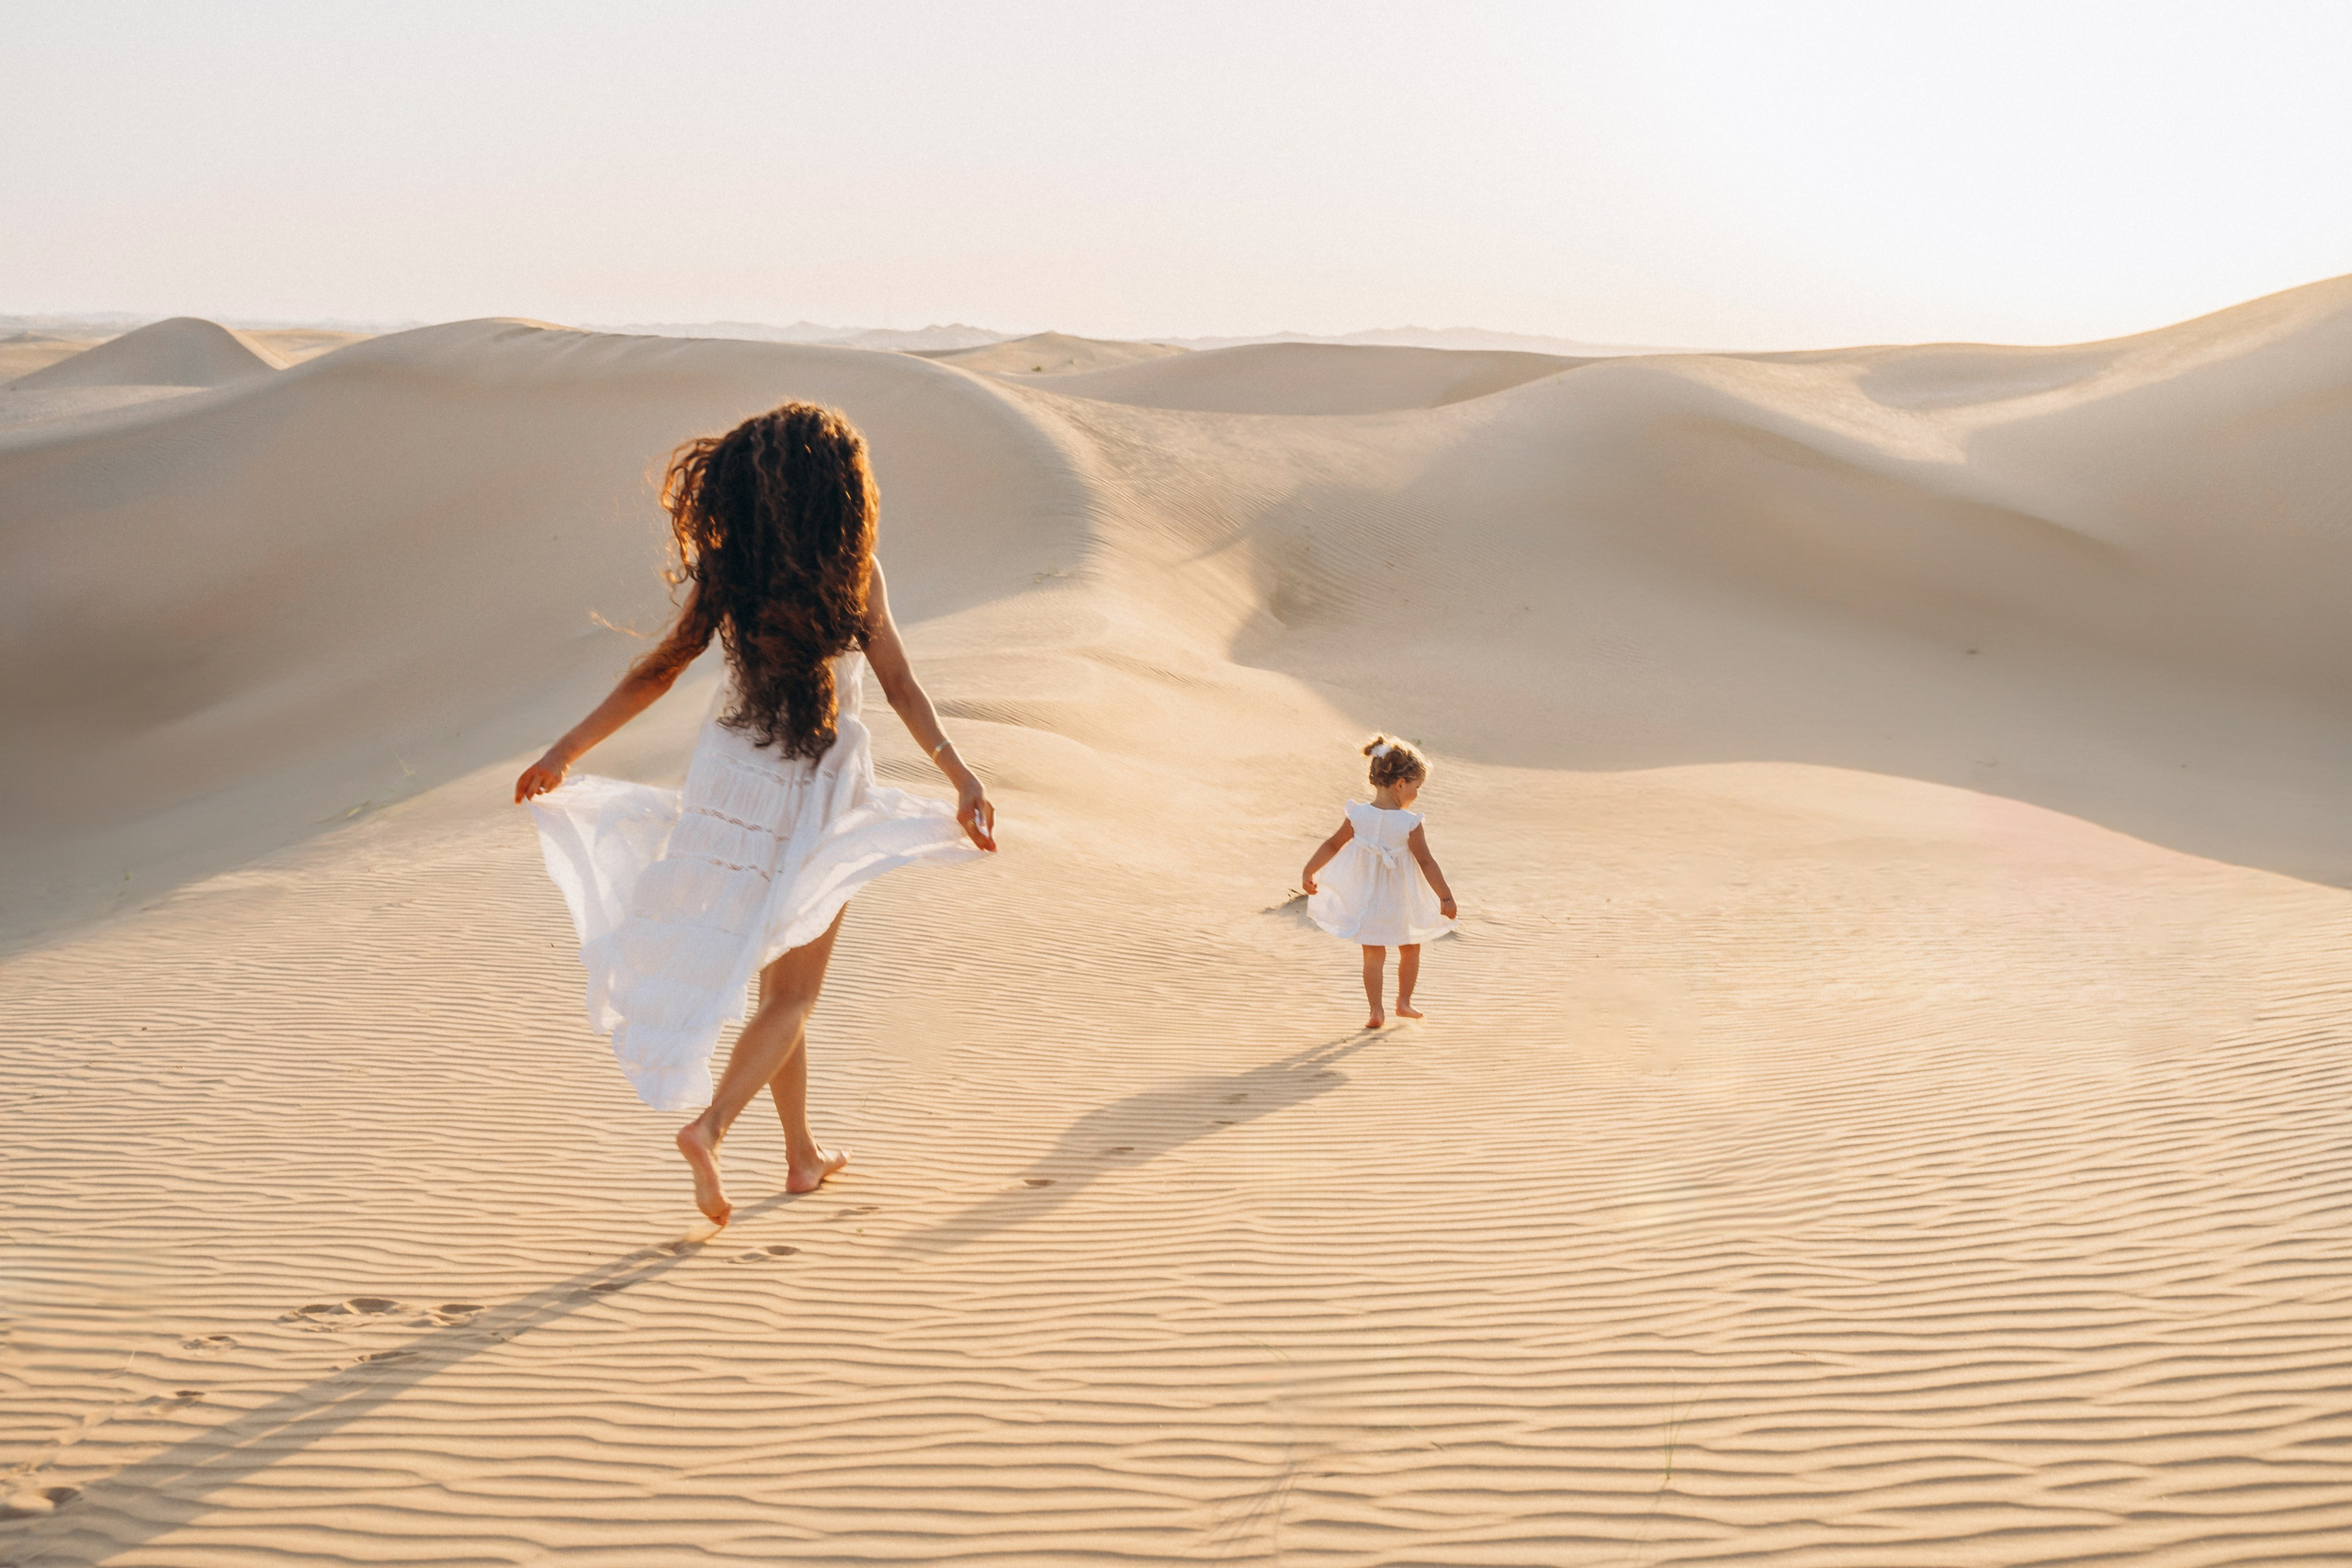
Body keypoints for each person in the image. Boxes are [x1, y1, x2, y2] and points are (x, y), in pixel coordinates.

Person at [516, 402, 994, 1225]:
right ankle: (711, 1127)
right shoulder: (858, 571)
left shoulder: (731, 569)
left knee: (778, 980)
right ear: (841, 492)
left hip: (730, 782)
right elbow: (902, 688)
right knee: (794, 992)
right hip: (815, 785)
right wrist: (961, 774)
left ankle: (801, 1155)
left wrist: (564, 750)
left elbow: (656, 673)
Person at [1300, 735, 1458, 1029]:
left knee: (1373, 953)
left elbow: (1333, 845)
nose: (1417, 794)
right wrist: (1445, 897)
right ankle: (1404, 1002)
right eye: (1417, 787)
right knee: (1410, 946)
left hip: (1367, 897)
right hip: (1400, 897)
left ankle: (1376, 1010)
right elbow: (1426, 862)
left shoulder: (1359, 814)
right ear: (1401, 784)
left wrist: (1309, 871)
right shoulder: (1410, 823)